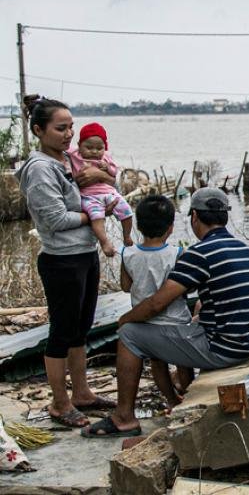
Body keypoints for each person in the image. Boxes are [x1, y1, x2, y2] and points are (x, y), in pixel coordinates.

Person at [82, 187, 249, 437]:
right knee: (188, 319)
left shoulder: (200, 253)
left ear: (194, 218)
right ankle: (180, 392)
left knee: (129, 334)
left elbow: (156, 304)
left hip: (223, 350)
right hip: (247, 342)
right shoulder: (240, 247)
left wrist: (125, 319)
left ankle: (124, 417)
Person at [15, 96, 118, 428]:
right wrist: (93, 215)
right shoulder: (41, 169)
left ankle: (83, 393)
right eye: (61, 128)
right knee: (61, 332)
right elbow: (54, 220)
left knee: (80, 330)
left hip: (84, 254)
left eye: (71, 126)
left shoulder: (65, 161)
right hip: (62, 260)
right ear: (38, 130)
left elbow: (106, 181)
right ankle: (60, 403)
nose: (69, 134)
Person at [119, 194, 194, 408]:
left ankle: (171, 400)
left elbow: (125, 286)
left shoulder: (128, 254)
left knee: (158, 365)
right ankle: (189, 400)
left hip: (146, 327)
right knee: (184, 364)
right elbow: (185, 286)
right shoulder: (177, 253)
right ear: (170, 227)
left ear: (139, 227)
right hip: (177, 323)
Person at [68, 122, 134, 257]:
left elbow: (114, 172)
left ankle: (127, 236)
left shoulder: (105, 158)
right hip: (88, 196)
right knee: (96, 216)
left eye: (99, 148)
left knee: (126, 210)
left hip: (108, 193)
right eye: (89, 147)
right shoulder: (75, 155)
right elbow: (61, 148)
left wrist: (106, 168)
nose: (94, 151)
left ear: (105, 147)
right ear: (79, 145)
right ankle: (104, 242)